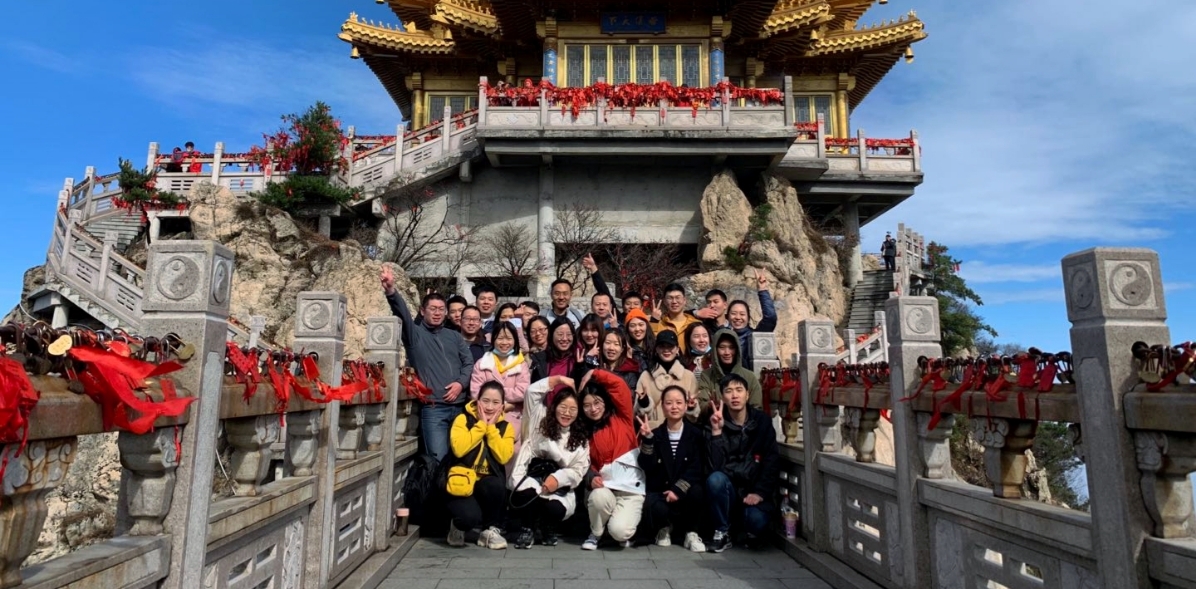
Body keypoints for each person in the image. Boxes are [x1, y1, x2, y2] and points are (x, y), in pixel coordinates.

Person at [382, 266, 473, 463]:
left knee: (460, 461)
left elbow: (468, 363)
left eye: (441, 309)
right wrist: (391, 291)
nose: (437, 313)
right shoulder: (415, 335)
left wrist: (460, 384)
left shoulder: (454, 336)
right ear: (423, 311)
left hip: (460, 408)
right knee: (437, 461)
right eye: (433, 309)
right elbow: (402, 313)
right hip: (434, 409)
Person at [508, 376, 591, 549]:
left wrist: (557, 479)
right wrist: (557, 379)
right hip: (533, 475)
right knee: (527, 494)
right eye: (563, 407)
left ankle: (548, 527)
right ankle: (527, 528)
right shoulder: (540, 420)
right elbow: (531, 393)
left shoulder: (581, 438)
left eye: (573, 409)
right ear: (555, 407)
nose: (567, 413)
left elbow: (578, 469)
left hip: (559, 485)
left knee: (555, 508)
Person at [705, 373, 780, 552]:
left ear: (747, 394)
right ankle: (722, 532)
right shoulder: (715, 421)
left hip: (754, 490)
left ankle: (747, 530)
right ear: (722, 397)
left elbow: (771, 461)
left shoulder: (762, 422)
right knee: (715, 479)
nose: (734, 395)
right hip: (730, 491)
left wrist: (759, 492)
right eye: (729, 391)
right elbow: (714, 467)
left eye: (739, 390)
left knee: (756, 522)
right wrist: (716, 433)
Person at [579, 369, 646, 550]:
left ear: (605, 402)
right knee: (598, 497)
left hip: (630, 490)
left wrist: (594, 372)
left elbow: (620, 386)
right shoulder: (584, 431)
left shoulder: (622, 417)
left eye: (597, 403)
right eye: (587, 405)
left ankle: (615, 528)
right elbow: (583, 464)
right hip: (606, 487)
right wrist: (591, 477)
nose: (593, 409)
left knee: (620, 532)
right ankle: (596, 533)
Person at [445, 381, 516, 549]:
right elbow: (459, 449)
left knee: (495, 485)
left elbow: (504, 457)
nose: (490, 407)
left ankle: (489, 530)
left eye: (495, 402)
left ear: (502, 406)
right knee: (469, 518)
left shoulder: (506, 427)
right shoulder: (463, 419)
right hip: (461, 482)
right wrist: (481, 425)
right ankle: (457, 526)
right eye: (485, 401)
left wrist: (491, 429)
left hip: (486, 483)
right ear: (477, 401)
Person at [637, 386, 707, 552]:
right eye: (669, 403)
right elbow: (647, 466)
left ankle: (691, 532)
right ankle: (664, 528)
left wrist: (678, 490)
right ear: (662, 407)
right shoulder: (656, 434)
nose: (674, 407)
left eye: (678, 402)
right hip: (662, 490)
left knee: (697, 492)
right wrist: (648, 439)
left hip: (685, 490)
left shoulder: (696, 434)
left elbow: (697, 467)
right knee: (653, 502)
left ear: (686, 406)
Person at [470, 322, 530, 457]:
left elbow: (523, 391)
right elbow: (475, 392)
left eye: (509, 338)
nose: (504, 342)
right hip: (484, 417)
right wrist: (503, 402)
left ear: (515, 340)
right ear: (493, 339)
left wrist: (492, 394)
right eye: (500, 338)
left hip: (513, 418)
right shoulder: (482, 363)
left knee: (509, 455)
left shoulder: (521, 365)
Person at [696, 328, 763, 420]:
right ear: (715, 350)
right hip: (714, 423)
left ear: (737, 349)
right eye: (722, 347)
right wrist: (710, 406)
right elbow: (701, 405)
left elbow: (756, 407)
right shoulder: (706, 375)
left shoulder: (749, 376)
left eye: (731, 348)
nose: (727, 352)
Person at [635, 330, 698, 429]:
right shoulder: (646, 376)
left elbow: (695, 415)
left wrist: (691, 407)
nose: (666, 350)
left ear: (677, 349)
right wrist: (644, 403)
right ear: (656, 349)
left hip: (682, 431)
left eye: (670, 346)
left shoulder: (688, 376)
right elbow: (637, 414)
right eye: (662, 346)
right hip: (653, 431)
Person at [727, 270, 778, 371]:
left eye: (742, 314)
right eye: (733, 313)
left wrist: (762, 290)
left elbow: (770, 317)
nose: (738, 317)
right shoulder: (723, 337)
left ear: (748, 318)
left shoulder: (755, 336)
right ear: (727, 316)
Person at [651, 283, 702, 354]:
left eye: (678, 297)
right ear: (664, 301)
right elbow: (651, 345)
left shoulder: (696, 324)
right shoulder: (658, 324)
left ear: (684, 300)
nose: (674, 302)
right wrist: (653, 322)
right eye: (670, 298)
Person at [531, 318, 578, 385]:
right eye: (560, 334)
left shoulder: (578, 358)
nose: (564, 338)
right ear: (551, 335)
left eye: (569, 334)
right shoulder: (540, 359)